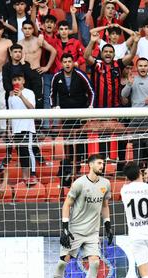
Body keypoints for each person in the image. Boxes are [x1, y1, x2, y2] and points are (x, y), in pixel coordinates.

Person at [37, 154, 112, 278]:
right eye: (99, 163)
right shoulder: (79, 183)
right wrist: (65, 228)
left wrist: (107, 224)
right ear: (90, 165)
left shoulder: (106, 183)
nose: (102, 166)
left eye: (103, 163)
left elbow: (105, 205)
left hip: (92, 232)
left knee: (95, 263)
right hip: (75, 231)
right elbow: (67, 204)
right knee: (62, 263)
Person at [50, 53, 94, 183]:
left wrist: (90, 108)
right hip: (65, 115)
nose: (67, 64)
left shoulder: (80, 75)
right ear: (61, 63)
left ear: (73, 62)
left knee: (81, 141)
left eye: (69, 61)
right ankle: (68, 167)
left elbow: (91, 91)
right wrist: (54, 107)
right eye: (65, 61)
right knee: (67, 140)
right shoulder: (56, 76)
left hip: (80, 114)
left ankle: (79, 167)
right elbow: (52, 94)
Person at [121, 57, 148, 168]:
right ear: (137, 67)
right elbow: (123, 95)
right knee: (136, 143)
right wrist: (129, 84)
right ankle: (137, 168)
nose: (143, 68)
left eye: (145, 65)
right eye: (140, 65)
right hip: (135, 117)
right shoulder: (132, 80)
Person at [7, 72, 41, 185]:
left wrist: (21, 96)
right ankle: (25, 177)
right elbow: (10, 114)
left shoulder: (29, 92)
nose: (16, 82)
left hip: (27, 127)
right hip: (16, 129)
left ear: (23, 81)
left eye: (19, 79)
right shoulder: (10, 96)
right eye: (14, 80)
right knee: (21, 153)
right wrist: (9, 129)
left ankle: (33, 174)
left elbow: (32, 108)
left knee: (29, 150)